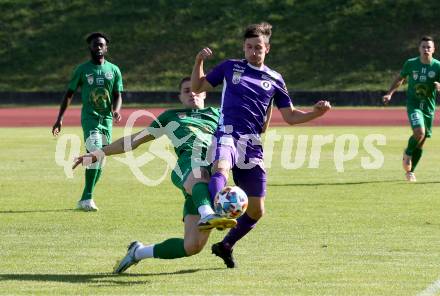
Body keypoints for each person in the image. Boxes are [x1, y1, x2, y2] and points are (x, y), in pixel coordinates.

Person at [191, 22, 331, 268]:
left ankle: (225, 245)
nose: (253, 51)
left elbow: (290, 116)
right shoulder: (229, 67)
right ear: (243, 48)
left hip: (252, 144)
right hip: (228, 133)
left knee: (256, 211)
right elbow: (197, 87)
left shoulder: (275, 79)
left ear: (267, 49)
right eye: (249, 47)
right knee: (221, 169)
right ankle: (215, 213)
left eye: (258, 47)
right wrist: (198, 61)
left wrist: (315, 114)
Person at [73, 77, 237, 274]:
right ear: (179, 96)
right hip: (186, 167)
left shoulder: (218, 114)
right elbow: (135, 139)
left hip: (211, 180)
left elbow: (244, 134)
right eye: (186, 90)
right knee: (198, 172)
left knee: (192, 246)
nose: (192, 93)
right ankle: (208, 213)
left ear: (204, 92)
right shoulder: (171, 116)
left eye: (195, 89)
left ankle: (138, 252)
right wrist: (98, 153)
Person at [52, 32, 123, 211]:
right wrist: (60, 118)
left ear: (106, 48)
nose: (98, 47)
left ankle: (85, 197)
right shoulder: (82, 70)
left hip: (106, 120)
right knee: (95, 151)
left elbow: (117, 95)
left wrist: (116, 110)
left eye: (101, 45)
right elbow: (69, 94)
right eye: (95, 45)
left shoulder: (114, 70)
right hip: (90, 118)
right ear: (90, 47)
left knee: (100, 158)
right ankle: (87, 198)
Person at [383, 36, 440, 182]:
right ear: (419, 49)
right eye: (423, 47)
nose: (426, 49)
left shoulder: (438, 66)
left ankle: (410, 172)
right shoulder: (411, 63)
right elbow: (400, 79)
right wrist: (389, 93)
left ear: (434, 49)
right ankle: (407, 153)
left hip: (428, 108)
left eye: (429, 47)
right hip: (414, 105)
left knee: (422, 140)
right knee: (419, 132)